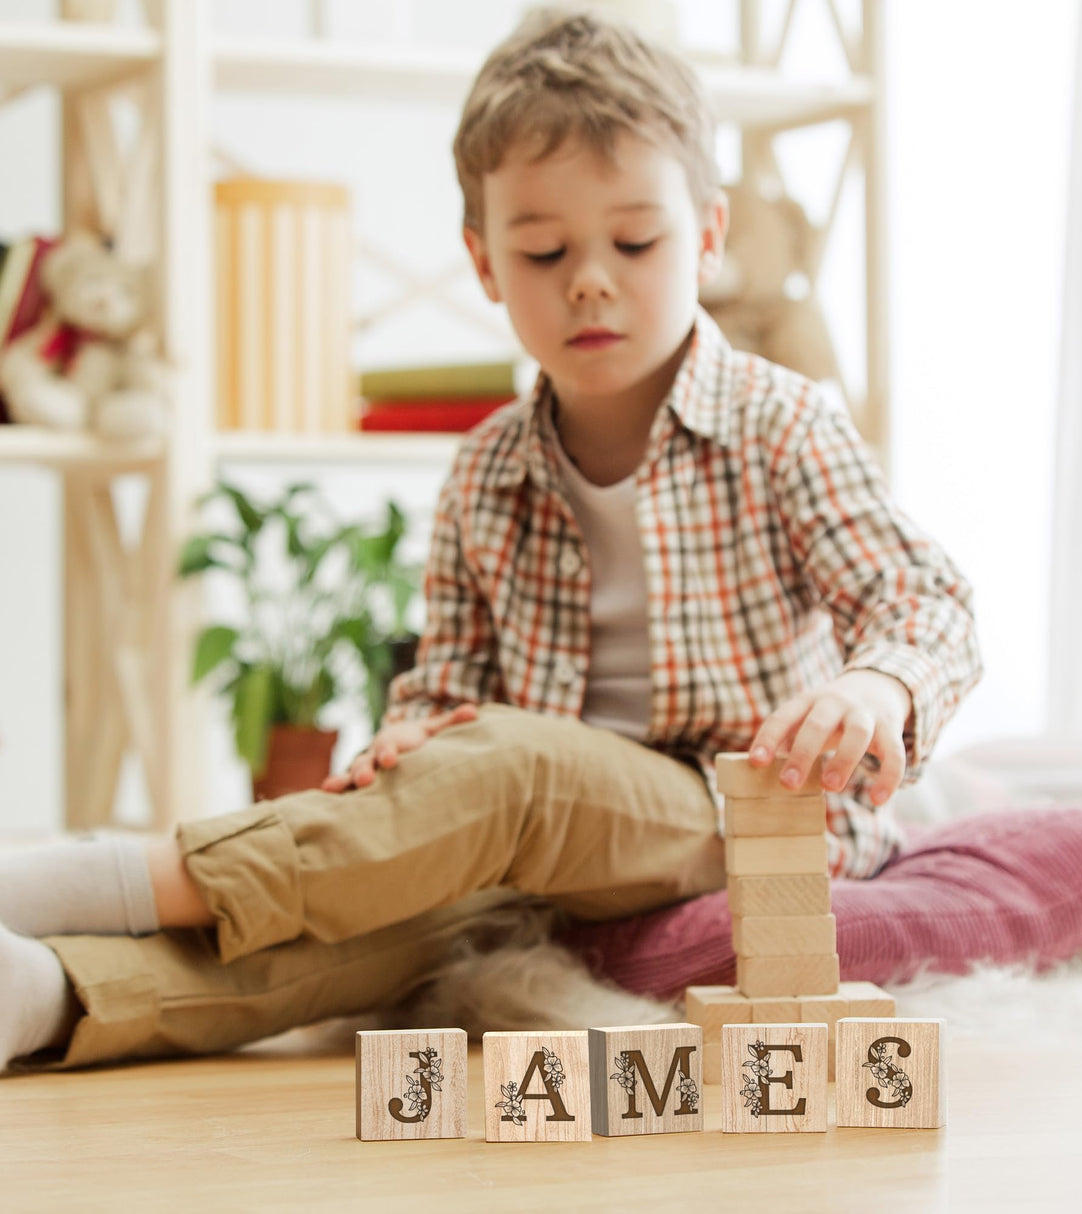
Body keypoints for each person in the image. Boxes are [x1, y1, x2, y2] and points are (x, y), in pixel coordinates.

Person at [0, 10, 981, 1073]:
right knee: (367, 934)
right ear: (482, 263)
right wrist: (402, 745)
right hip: (528, 846)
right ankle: (49, 995)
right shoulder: (486, 468)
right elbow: (445, 687)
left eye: (635, 242)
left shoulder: (780, 421)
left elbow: (923, 600)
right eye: (544, 250)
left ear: (707, 234)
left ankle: (85, 877)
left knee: (516, 770)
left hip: (729, 815)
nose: (589, 279)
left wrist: (875, 688)